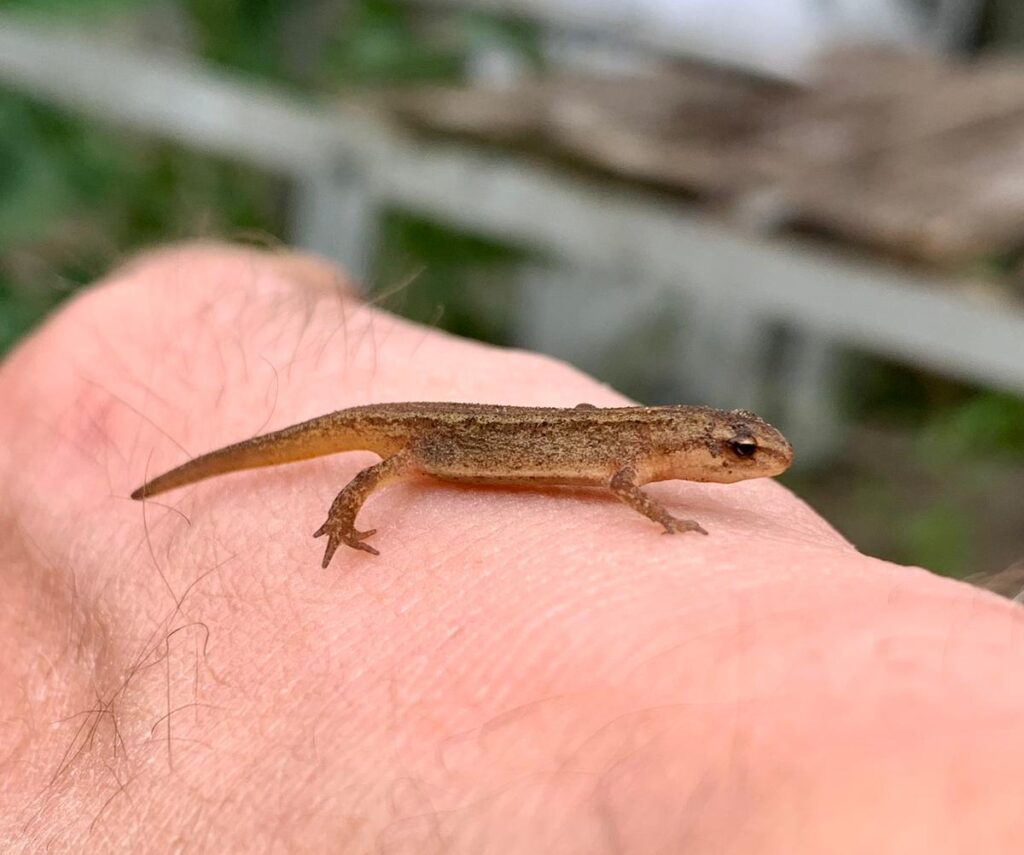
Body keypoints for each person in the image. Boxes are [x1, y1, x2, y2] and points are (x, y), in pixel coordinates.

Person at [2, 243, 1022, 852]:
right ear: (696, 444)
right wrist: (345, 510)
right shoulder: (639, 463)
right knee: (389, 466)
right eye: (739, 453)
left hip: (483, 428)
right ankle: (338, 513)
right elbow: (627, 491)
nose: (751, 462)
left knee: (402, 461)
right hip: (434, 429)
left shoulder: (646, 448)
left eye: (745, 450)